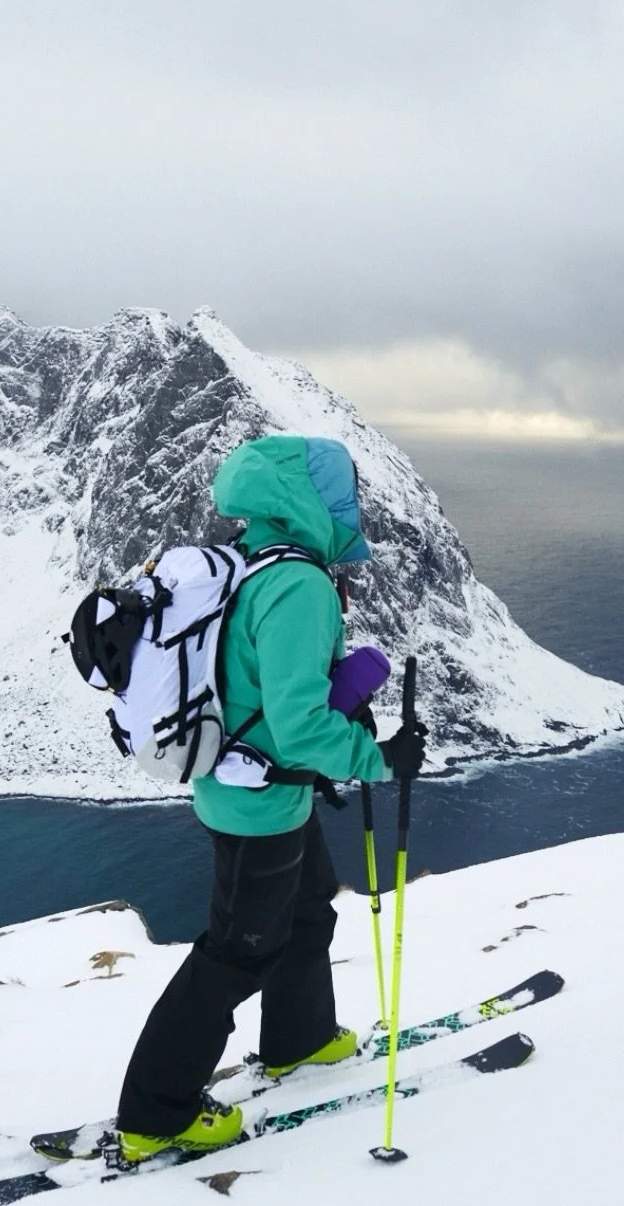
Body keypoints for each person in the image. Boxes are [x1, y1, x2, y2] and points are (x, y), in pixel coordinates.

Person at [115, 433, 427, 1162]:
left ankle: (302, 1039)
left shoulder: (243, 562)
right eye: (340, 492)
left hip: (247, 790)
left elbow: (261, 682)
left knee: (308, 906)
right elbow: (296, 722)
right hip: (259, 803)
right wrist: (376, 759)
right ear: (310, 499)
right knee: (235, 954)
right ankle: (155, 1112)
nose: (349, 504)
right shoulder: (299, 583)